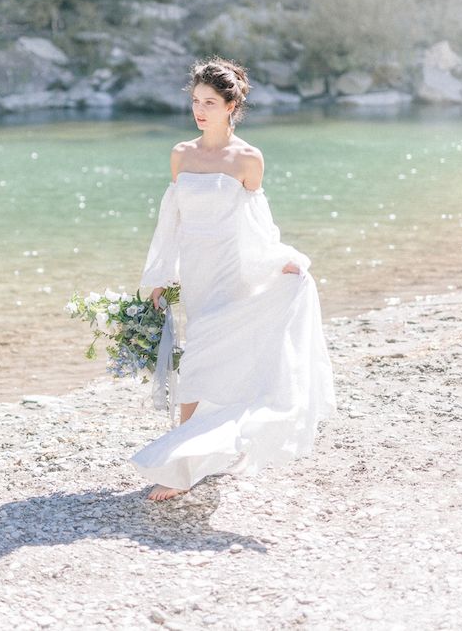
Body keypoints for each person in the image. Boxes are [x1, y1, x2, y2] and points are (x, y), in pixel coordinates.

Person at [130, 56, 338, 501]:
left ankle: (179, 468)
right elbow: (172, 222)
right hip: (198, 274)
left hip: (234, 270)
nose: (199, 110)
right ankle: (214, 449)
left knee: (206, 361)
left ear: (230, 105)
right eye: (195, 101)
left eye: (209, 102)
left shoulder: (248, 159)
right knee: (204, 362)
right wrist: (161, 276)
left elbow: (258, 224)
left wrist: (280, 261)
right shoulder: (182, 153)